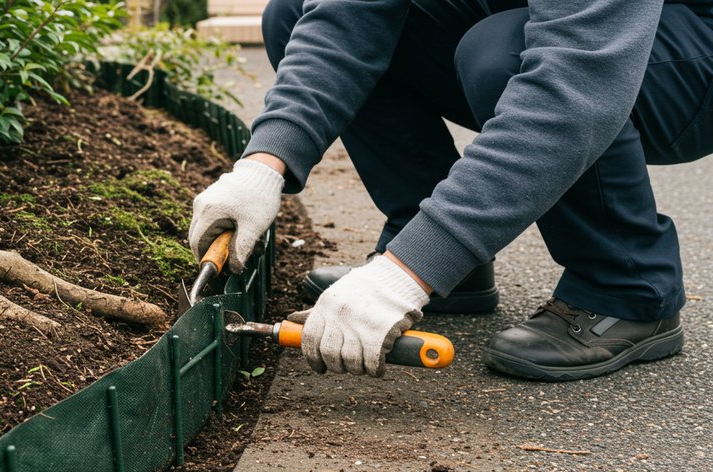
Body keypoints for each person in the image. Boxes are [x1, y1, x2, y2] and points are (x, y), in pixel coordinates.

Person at [189, 0, 713, 381]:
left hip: (673, 46)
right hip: (538, 21)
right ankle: (448, 272)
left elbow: (576, 80)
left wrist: (406, 275)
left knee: (504, 54)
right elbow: (348, 20)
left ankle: (628, 285)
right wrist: (263, 167)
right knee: (296, 13)